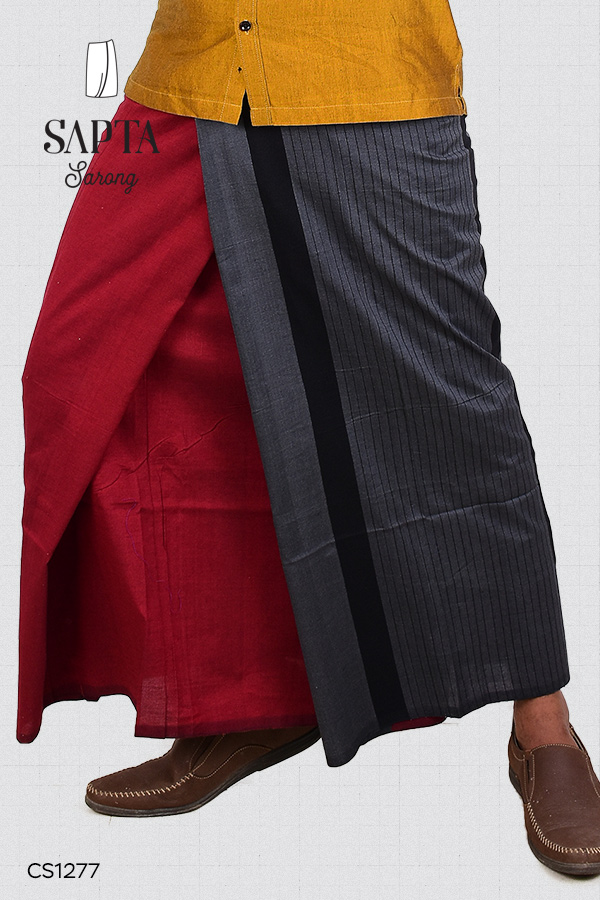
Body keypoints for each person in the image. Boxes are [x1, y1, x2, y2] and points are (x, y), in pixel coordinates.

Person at [17, 0, 600, 876]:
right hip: (192, 74)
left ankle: (543, 726)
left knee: (441, 404)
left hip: (365, 78)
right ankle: (246, 700)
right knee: (97, 367)